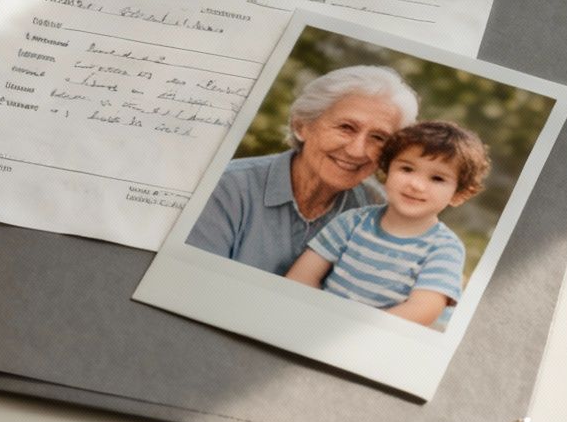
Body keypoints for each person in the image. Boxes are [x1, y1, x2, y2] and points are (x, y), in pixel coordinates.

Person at [187, 65, 418, 275]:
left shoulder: (376, 209)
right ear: (301, 126)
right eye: (346, 127)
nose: (357, 151)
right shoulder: (225, 187)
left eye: (378, 137)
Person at [284, 120, 490, 329]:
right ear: (387, 171)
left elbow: (423, 309)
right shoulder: (353, 221)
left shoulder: (444, 248)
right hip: (315, 323)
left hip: (376, 336)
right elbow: (302, 275)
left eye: (437, 178)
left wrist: (354, 329)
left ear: (458, 194)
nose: (416, 185)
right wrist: (316, 319)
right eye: (407, 169)